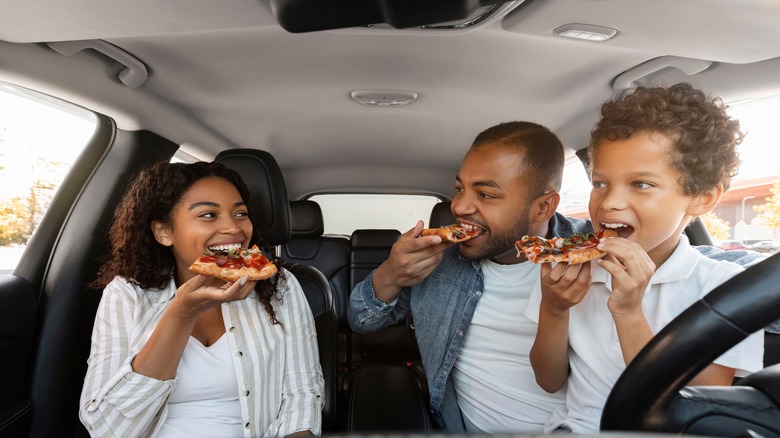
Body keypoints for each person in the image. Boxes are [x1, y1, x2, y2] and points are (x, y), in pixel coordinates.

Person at [347, 120, 766, 434]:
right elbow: (362, 322)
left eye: (487, 194)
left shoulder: (589, 252)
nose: (460, 207)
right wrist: (391, 273)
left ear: (544, 206)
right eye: (460, 189)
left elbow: (714, 272)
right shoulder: (439, 261)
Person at [524, 83, 764, 433]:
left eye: (641, 184)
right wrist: (554, 308)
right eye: (600, 183)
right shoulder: (568, 271)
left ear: (701, 198)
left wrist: (628, 312)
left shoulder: (724, 289)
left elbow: (701, 407)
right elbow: (549, 380)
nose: (609, 203)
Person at [79, 161, 324, 438]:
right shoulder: (126, 294)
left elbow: (301, 394)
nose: (234, 228)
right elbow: (107, 429)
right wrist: (182, 313)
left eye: (240, 213)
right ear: (164, 232)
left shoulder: (278, 285)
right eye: (208, 215)